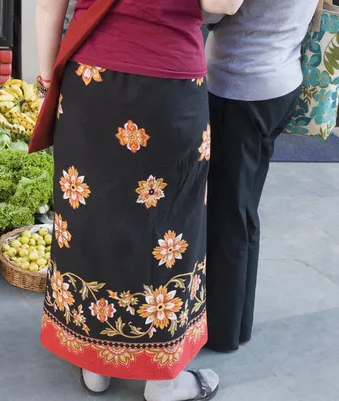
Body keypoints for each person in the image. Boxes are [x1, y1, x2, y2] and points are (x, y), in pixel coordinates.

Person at [35, 0, 243, 399]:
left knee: (90, 217)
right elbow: (223, 4)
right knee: (168, 226)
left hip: (90, 83)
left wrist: (48, 78)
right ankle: (161, 381)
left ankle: (93, 363)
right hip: (168, 88)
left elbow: (48, 6)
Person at [205, 0, 319, 353]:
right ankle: (237, 324)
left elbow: (214, 8)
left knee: (228, 216)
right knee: (242, 209)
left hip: (240, 85)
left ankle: (221, 331)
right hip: (279, 79)